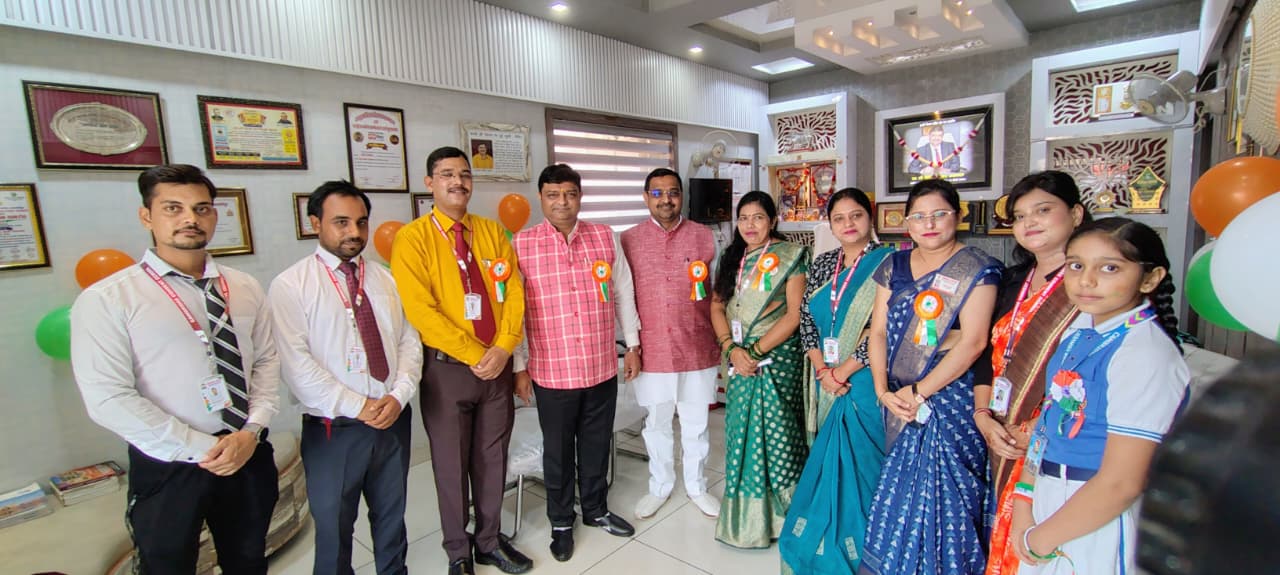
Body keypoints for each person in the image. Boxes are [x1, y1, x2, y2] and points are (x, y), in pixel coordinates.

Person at [70, 164, 280, 574]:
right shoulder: (110, 298)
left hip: (246, 451)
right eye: (173, 208)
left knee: (249, 560)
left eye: (202, 209)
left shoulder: (243, 286)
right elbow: (108, 397)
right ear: (146, 216)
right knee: (167, 566)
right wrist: (203, 448)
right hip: (170, 464)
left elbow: (266, 361)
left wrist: (252, 430)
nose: (190, 219)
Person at [1011, 218, 1189, 574]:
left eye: (1109, 268)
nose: (1086, 280)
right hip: (1048, 497)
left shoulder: (1143, 353)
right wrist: (1024, 498)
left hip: (1099, 512)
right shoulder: (1078, 333)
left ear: (1150, 278)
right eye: (1076, 266)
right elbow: (1047, 423)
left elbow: (1121, 483)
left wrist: (1040, 539)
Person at [389, 147, 531, 575]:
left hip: (496, 367)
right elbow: (421, 312)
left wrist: (503, 348)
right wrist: (476, 354)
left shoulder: (490, 233)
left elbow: (514, 293)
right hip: (447, 371)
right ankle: (457, 550)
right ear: (430, 183)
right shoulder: (412, 239)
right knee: (451, 466)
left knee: (493, 459)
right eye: (447, 174)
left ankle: (488, 541)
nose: (458, 182)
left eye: (465, 174)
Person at [269, 181, 422, 575]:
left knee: (392, 516)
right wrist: (360, 406)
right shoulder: (292, 285)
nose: (354, 232)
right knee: (335, 527)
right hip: (335, 428)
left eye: (361, 222)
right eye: (341, 222)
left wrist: (399, 395)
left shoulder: (386, 279)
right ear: (315, 223)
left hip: (392, 419)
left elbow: (409, 341)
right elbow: (296, 366)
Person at [860, 178, 1002, 575]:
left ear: (958, 216)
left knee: (948, 493)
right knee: (901, 488)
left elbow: (974, 342)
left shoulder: (978, 268)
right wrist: (882, 391)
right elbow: (878, 332)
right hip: (897, 395)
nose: (929, 223)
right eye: (919, 216)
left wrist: (918, 392)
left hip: (950, 396)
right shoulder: (893, 265)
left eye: (939, 214)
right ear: (906, 222)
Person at [513, 163, 641, 562]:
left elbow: (623, 291)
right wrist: (519, 366)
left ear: (580, 196)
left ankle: (596, 509)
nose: (562, 202)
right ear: (541, 198)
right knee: (557, 452)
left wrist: (633, 345)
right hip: (551, 371)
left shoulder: (604, 236)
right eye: (553, 195)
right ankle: (561, 522)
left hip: (600, 365)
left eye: (570, 194)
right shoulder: (522, 244)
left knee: (596, 444)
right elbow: (512, 312)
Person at [979, 172, 1090, 575]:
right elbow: (985, 355)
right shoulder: (1011, 281)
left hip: (1059, 439)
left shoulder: (1090, 286)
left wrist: (1036, 430)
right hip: (999, 428)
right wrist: (982, 416)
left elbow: (1094, 373)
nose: (1030, 223)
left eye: (1043, 210)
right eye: (1020, 216)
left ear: (1075, 214)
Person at [780, 188, 894, 574]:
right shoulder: (824, 262)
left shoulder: (890, 262)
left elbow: (886, 329)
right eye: (839, 218)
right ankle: (829, 529)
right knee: (829, 459)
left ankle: (872, 542)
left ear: (870, 217)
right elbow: (806, 319)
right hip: (824, 374)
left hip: (864, 379)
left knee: (864, 461)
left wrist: (843, 371)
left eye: (856, 215)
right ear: (830, 224)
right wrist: (820, 369)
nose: (848, 224)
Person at [619, 168, 721, 520]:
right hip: (653, 350)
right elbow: (623, 297)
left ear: (682, 196)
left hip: (697, 345)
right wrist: (632, 346)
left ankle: (696, 486)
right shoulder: (628, 240)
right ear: (645, 197)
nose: (666, 200)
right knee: (657, 424)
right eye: (658, 193)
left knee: (696, 423)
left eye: (673, 192)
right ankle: (659, 486)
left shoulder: (704, 237)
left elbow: (718, 294)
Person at [710, 191, 810, 549]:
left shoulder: (791, 256)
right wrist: (731, 349)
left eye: (758, 217)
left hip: (776, 359)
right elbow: (716, 307)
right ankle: (747, 518)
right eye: (743, 218)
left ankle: (787, 514)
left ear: (773, 221)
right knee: (741, 434)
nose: (749, 225)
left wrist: (752, 352)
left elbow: (794, 315)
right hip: (738, 359)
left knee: (780, 432)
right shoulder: (730, 257)